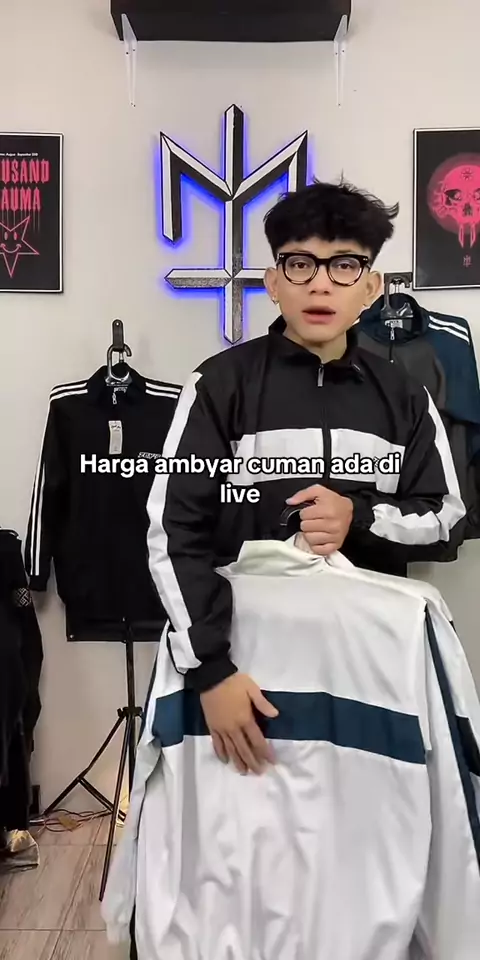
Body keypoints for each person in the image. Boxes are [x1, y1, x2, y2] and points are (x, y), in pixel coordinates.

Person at [146, 179, 466, 778]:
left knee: (363, 828)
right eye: (300, 264)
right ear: (273, 282)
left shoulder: (404, 396)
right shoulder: (218, 385)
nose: (320, 284)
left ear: (371, 287)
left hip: (368, 665)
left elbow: (446, 518)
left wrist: (359, 517)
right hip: (243, 666)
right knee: (245, 831)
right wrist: (210, 669)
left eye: (344, 265)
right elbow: (174, 532)